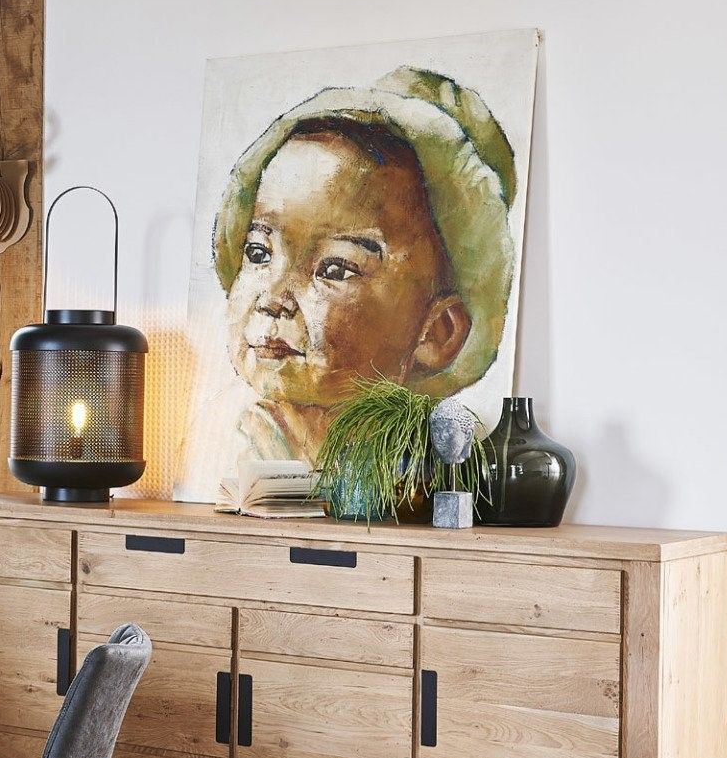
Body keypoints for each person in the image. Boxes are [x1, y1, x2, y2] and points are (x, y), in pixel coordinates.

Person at [200, 66, 518, 470]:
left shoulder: (423, 469)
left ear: (438, 332)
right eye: (259, 253)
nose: (274, 298)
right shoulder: (219, 451)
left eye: (335, 269)